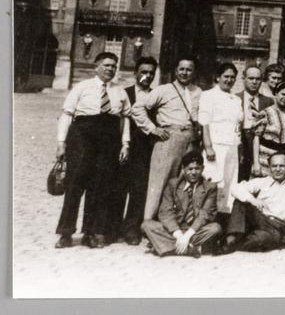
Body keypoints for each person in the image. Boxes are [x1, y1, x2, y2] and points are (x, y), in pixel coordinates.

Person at [54, 52, 132, 249]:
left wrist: (125, 144)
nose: (110, 69)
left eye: (113, 66)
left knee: (99, 187)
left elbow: (125, 119)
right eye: (106, 65)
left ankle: (90, 233)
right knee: (75, 185)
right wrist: (61, 142)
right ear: (96, 67)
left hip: (108, 141)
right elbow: (67, 114)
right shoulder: (82, 87)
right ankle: (65, 233)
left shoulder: (120, 92)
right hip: (82, 138)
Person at [133, 56, 201, 222]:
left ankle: (174, 224)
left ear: (194, 72)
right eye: (181, 69)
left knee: (183, 183)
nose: (185, 73)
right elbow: (137, 108)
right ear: (176, 71)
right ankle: (149, 224)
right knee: (160, 183)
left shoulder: (198, 92)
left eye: (189, 70)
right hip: (168, 139)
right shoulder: (163, 90)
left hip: (190, 140)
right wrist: (153, 129)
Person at [223, 152, 285, 253]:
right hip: (259, 217)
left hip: (277, 227)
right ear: (269, 167)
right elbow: (235, 188)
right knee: (240, 201)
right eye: (274, 166)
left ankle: (235, 243)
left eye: (282, 166)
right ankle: (230, 240)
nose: (278, 169)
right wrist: (253, 200)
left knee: (262, 239)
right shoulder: (263, 182)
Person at [110, 56, 157, 245]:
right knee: (118, 187)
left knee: (139, 190)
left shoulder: (156, 96)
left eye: (151, 73)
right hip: (123, 148)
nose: (147, 76)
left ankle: (131, 229)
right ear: (135, 73)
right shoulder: (124, 93)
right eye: (144, 72)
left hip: (145, 151)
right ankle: (113, 228)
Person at [141, 151, 222, 257]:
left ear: (202, 168)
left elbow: (205, 215)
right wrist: (179, 236)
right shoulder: (173, 184)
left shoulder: (210, 187)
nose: (193, 172)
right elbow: (165, 213)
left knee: (215, 228)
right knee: (146, 225)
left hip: (195, 230)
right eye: (190, 169)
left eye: (197, 168)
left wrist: (187, 236)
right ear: (183, 169)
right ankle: (189, 250)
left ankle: (166, 247)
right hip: (175, 230)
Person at [198, 62, 244, 216]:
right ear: (218, 77)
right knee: (213, 181)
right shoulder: (208, 95)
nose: (229, 80)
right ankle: (206, 217)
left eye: (232, 77)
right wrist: (208, 147)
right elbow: (204, 122)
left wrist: (239, 149)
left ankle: (222, 220)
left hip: (232, 147)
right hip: (215, 146)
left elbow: (238, 126)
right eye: (226, 76)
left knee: (229, 184)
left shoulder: (236, 99)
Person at [237, 65, 272, 181]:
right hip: (241, 140)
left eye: (257, 79)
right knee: (240, 175)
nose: (254, 82)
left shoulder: (268, 101)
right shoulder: (235, 98)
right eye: (251, 78)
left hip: (260, 142)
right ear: (244, 79)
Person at [258, 80, 285, 176]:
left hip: (282, 159)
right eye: (283, 94)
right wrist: (256, 162)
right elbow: (256, 138)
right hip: (265, 157)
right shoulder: (266, 112)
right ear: (276, 93)